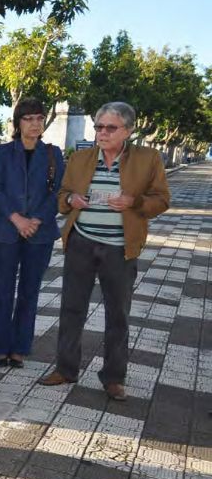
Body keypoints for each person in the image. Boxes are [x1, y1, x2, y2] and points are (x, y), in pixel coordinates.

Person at [40, 102, 170, 399]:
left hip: (120, 248)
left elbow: (162, 200)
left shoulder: (148, 159)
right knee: (72, 308)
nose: (102, 132)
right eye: (98, 126)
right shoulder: (81, 158)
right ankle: (65, 368)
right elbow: (62, 196)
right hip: (81, 242)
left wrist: (133, 202)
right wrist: (72, 199)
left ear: (128, 130)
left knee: (117, 314)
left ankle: (113, 377)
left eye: (110, 127)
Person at [0, 98, 65, 368]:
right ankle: (0, 347)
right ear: (18, 123)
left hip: (39, 234)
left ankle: (20, 348)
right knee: (3, 290)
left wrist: (36, 220)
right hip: (5, 231)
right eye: (28, 119)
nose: (34, 124)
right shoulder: (3, 153)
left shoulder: (54, 155)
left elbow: (58, 193)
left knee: (30, 291)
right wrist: (17, 218)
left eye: (39, 118)